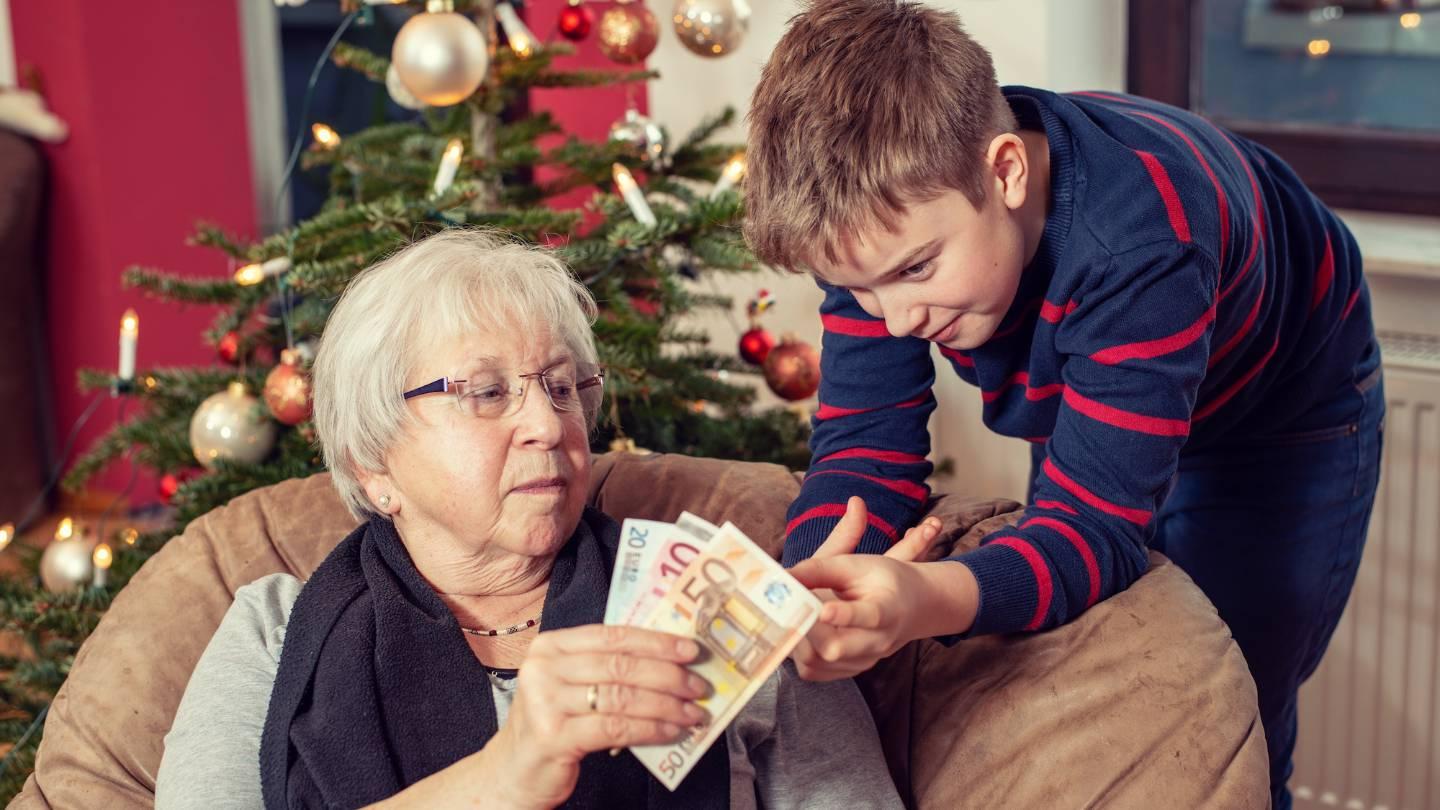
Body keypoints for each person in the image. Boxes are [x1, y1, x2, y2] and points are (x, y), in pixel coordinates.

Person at [744, 3, 1384, 808]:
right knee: (1082, 646)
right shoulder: (878, 233)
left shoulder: (1144, 241)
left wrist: (924, 602)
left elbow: (1092, 529)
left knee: (1239, 702)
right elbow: (865, 452)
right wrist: (809, 581)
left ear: (1005, 171)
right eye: (856, 290)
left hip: (1283, 403)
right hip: (1113, 361)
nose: (895, 322)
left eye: (915, 272)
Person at [153, 229, 903, 810]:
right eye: (483, 391)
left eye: (561, 385)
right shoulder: (275, 632)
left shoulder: (716, 594)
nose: (548, 423)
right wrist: (504, 777)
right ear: (373, 465)